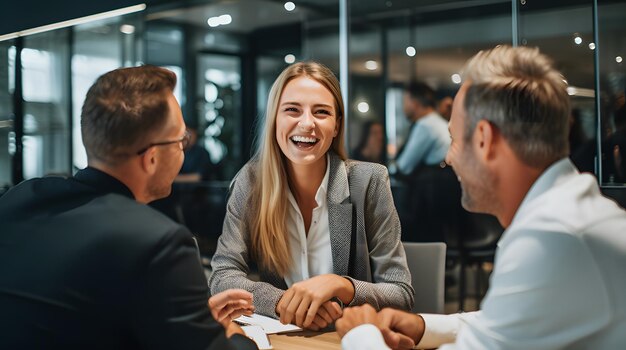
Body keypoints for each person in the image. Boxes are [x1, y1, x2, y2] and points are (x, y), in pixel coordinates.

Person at [336, 45, 626, 349]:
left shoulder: (550, 236)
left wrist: (361, 333)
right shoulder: (567, 214)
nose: (448, 158)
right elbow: (508, 318)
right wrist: (423, 326)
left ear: (485, 139)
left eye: (454, 139)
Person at [0, 66, 257, 350]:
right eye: (180, 141)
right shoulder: (158, 242)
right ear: (151, 158)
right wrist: (235, 334)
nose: (183, 149)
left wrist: (189, 318)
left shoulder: (19, 199)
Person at [209, 62, 414, 331]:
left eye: (321, 112)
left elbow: (401, 294)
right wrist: (284, 302)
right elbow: (223, 276)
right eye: (292, 110)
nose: (307, 123)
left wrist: (342, 286)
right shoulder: (251, 183)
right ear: (274, 119)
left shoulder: (369, 181)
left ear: (336, 126)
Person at [394, 81, 449, 176]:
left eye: (405, 101)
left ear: (414, 103)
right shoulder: (437, 122)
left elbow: (404, 166)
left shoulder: (426, 125)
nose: (404, 106)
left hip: (436, 184)